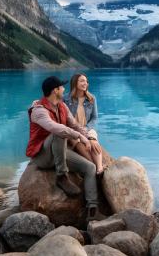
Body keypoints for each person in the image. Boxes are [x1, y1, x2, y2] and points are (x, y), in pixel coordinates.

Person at [25, 75, 104, 221]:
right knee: (59, 132)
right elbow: (55, 128)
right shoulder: (38, 110)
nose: (64, 89)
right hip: (43, 156)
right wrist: (78, 137)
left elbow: (74, 125)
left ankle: (92, 210)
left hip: (59, 151)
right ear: (55, 90)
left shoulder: (62, 106)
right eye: (61, 87)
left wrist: (89, 137)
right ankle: (62, 176)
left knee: (90, 168)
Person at [64, 73, 105, 175]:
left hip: (87, 127)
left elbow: (95, 118)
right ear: (75, 83)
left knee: (94, 142)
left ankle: (99, 169)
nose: (85, 83)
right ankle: (93, 166)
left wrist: (86, 129)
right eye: (82, 81)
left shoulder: (91, 98)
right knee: (77, 142)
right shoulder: (65, 99)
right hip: (73, 129)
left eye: (86, 81)